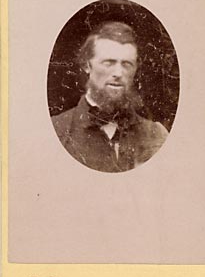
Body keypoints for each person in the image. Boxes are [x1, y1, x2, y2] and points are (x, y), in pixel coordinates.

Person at [52, 21, 168, 172]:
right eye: (109, 63)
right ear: (87, 66)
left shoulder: (156, 136)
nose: (118, 73)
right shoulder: (58, 131)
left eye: (126, 64)